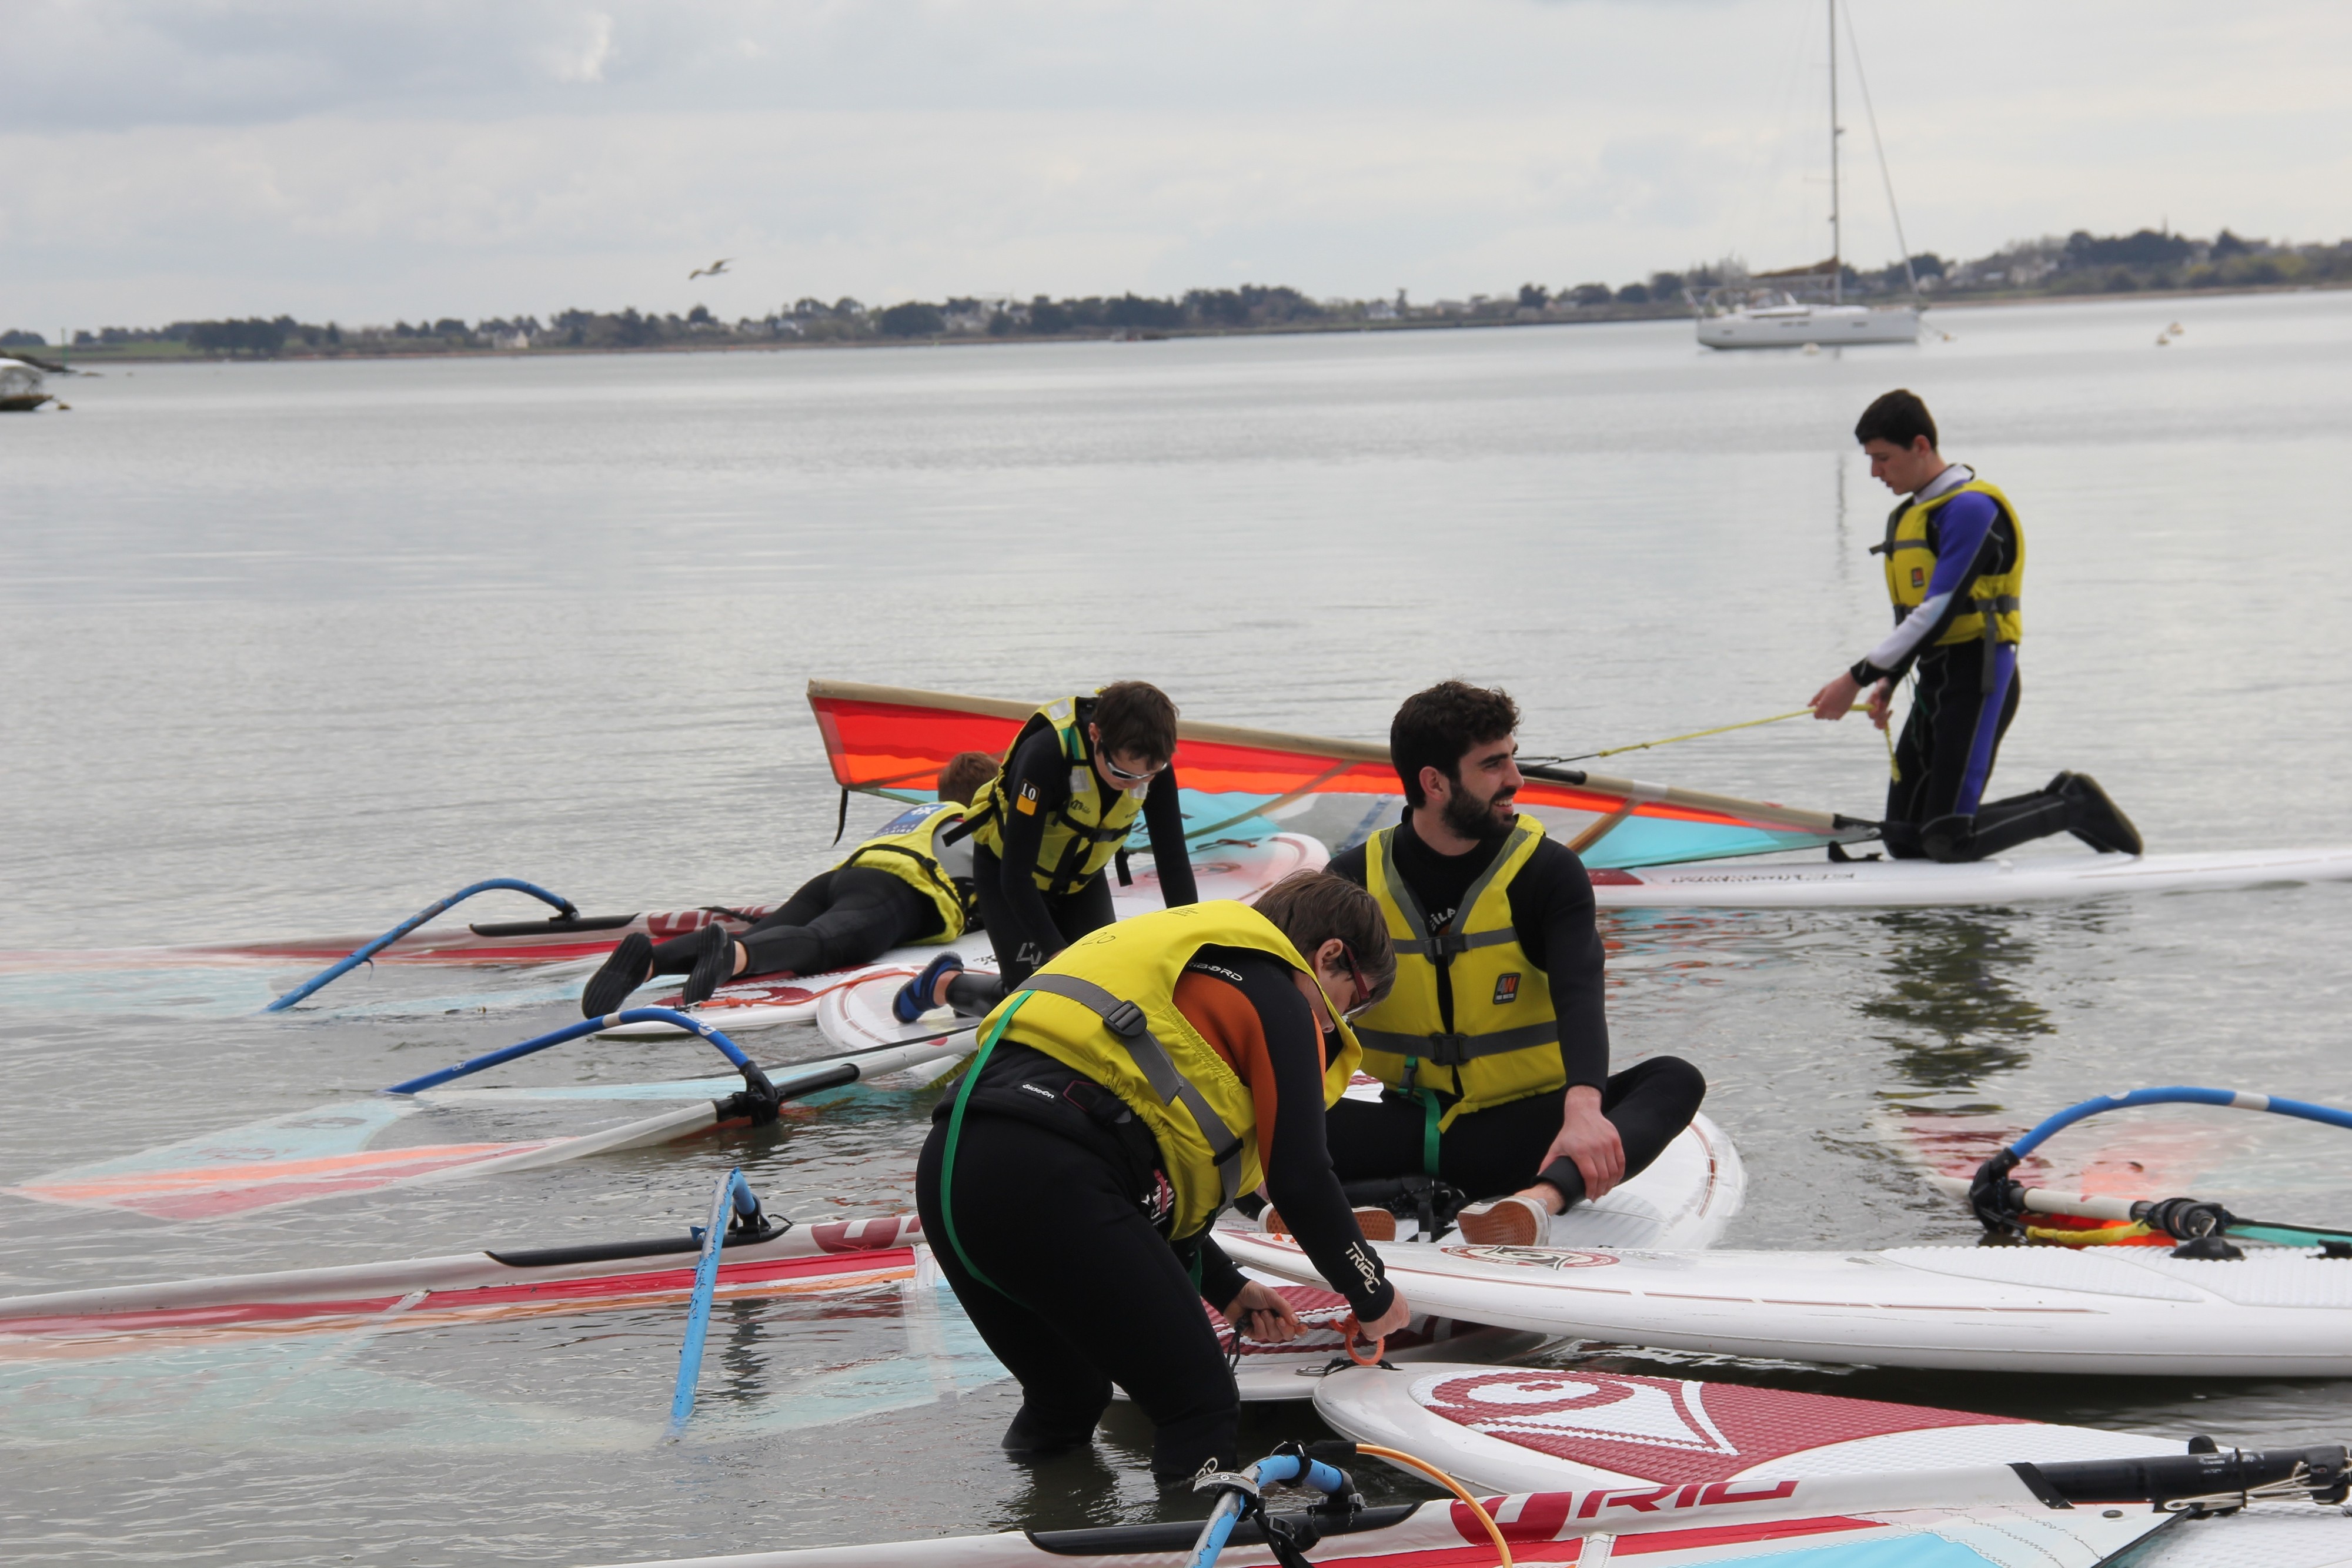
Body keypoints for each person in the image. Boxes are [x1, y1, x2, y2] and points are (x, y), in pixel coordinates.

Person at [915, 871, 1408, 1484]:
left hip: (950, 1170)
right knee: (1199, 1407)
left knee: (1068, 1394)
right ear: (1329, 954)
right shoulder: (1277, 991)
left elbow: (1131, 1158)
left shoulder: (1173, 957)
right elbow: (1301, 1178)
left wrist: (1227, 1287)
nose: (1337, 1025)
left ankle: (1032, 1532)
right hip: (1053, 1178)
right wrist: (1373, 1294)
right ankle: (1189, 1547)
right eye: (1351, 1002)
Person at [1319, 681, 1707, 1248]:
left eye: (1512, 758)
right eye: (1493, 764)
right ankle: (1335, 1204)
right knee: (1250, 1111)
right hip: (1411, 1128)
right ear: (1434, 782)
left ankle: (1536, 1203)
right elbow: (1308, 1011)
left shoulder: (1548, 873)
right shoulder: (1352, 880)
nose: (1516, 781)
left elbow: (1579, 993)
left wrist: (1584, 1107)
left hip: (1532, 1134)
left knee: (1675, 1078)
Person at [1808, 389, 2141, 863]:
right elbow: (1913, 616)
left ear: (1921, 445)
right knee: (1904, 838)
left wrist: (1852, 679)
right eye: (1870, 460)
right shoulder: (1908, 516)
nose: (1875, 472)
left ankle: (2071, 802)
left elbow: (1938, 610)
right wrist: (1889, 679)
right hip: (1934, 681)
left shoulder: (1970, 509)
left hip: (1979, 679)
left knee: (1947, 839)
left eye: (1883, 458)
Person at [579, 751, 999, 1017]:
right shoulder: (980, 824)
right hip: (896, 893)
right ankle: (733, 953)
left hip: (837, 880)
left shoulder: (924, 813)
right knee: (821, 943)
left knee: (770, 934)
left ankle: (650, 961)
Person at [890, 683, 1199, 1024]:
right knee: (1039, 1005)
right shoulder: (1046, 755)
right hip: (1011, 876)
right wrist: (1056, 951)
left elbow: (1171, 859)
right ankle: (944, 985)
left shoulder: (1151, 765)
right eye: (1123, 773)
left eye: (1147, 775)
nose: (1134, 783)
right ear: (1095, 735)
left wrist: (1195, 938)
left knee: (1107, 994)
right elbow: (1015, 875)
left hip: (1080, 882)